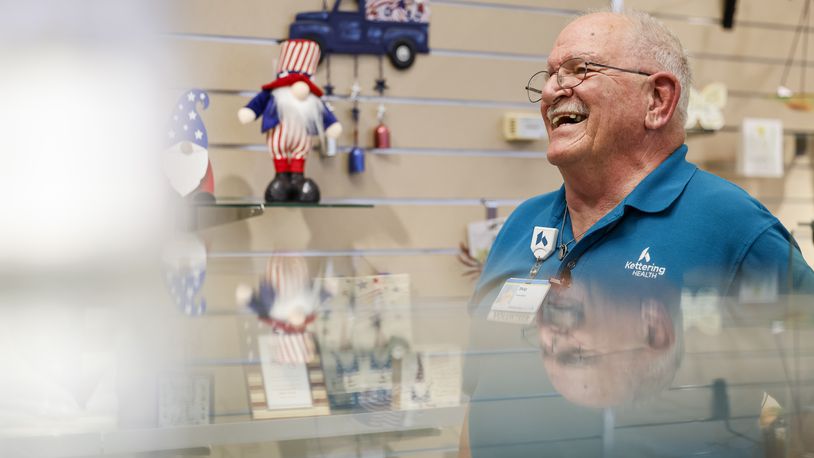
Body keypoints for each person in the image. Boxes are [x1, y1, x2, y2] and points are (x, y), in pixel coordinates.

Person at [460, 9, 814, 458]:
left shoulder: (735, 229)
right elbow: (479, 404)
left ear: (657, 100)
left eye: (580, 70)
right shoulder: (520, 225)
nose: (552, 90)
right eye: (549, 76)